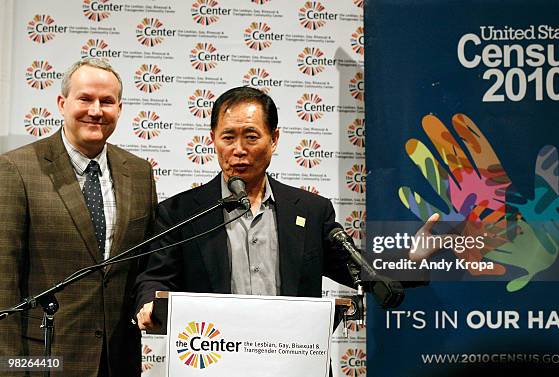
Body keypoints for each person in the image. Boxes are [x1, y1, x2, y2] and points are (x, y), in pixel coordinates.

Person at [134, 86, 357, 329]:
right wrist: (149, 302)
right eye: (228, 137)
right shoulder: (179, 212)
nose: (238, 150)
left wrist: (401, 263)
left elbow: (359, 270)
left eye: (251, 137)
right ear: (213, 139)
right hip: (214, 355)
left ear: (274, 139)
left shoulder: (312, 211)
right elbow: (156, 277)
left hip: (294, 355)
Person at [0, 58, 157, 376]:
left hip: (119, 360)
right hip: (45, 358)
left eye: (107, 101)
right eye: (85, 98)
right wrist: (10, 367)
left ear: (120, 108)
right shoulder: (17, 169)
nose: (96, 110)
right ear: (62, 103)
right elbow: (4, 280)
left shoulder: (139, 172)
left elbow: (146, 264)